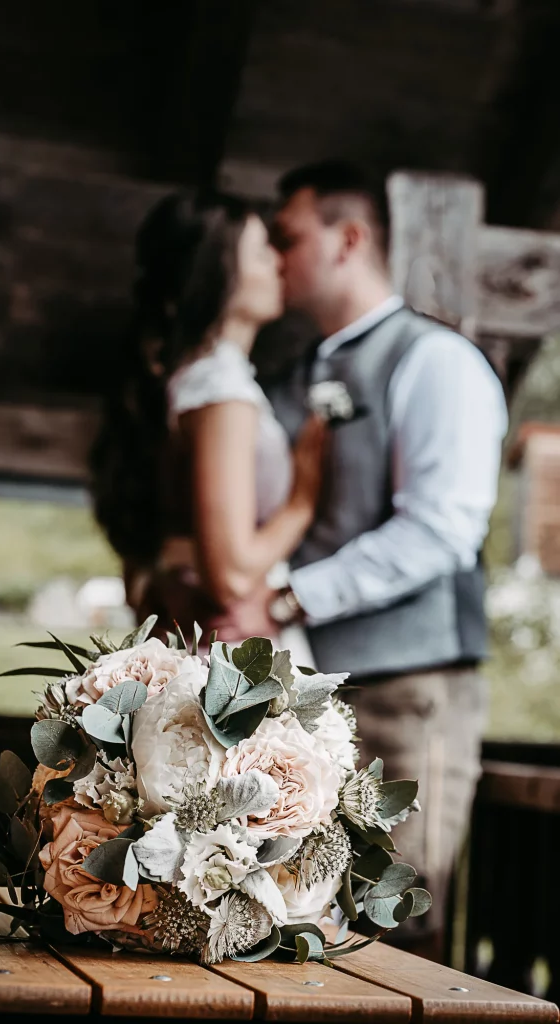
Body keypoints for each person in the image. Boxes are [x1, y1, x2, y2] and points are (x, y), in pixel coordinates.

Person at [267, 161, 508, 960]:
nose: (275, 256)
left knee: (395, 915)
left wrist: (290, 595)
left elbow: (441, 527)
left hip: (410, 690)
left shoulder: (437, 361)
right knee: (295, 914)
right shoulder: (294, 374)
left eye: (288, 237)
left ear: (348, 239)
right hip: (306, 690)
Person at [90, 190, 324, 651]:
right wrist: (304, 495)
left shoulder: (184, 381)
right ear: (221, 274)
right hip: (230, 651)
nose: (279, 262)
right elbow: (232, 576)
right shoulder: (221, 390)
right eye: (261, 252)